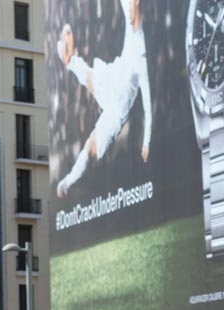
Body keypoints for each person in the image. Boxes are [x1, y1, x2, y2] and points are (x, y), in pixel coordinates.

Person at [55, 0, 151, 199]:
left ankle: (67, 182)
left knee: (90, 148)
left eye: (132, 6)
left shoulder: (142, 61)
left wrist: (146, 143)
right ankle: (70, 60)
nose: (129, 11)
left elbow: (147, 108)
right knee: (90, 77)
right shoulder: (129, 15)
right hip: (112, 77)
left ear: (138, 4)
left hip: (117, 108)